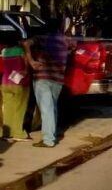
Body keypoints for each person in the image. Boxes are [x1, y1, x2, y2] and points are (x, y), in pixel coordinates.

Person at [22, 18, 71, 148]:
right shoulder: (65, 40)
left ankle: (48, 140)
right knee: (52, 108)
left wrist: (31, 61)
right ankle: (52, 135)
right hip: (58, 79)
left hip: (42, 78)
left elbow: (26, 43)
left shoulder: (41, 38)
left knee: (46, 109)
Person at [1, 36, 32, 142]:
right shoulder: (20, 50)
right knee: (19, 109)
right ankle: (18, 133)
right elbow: (27, 63)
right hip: (19, 83)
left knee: (8, 109)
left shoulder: (4, 51)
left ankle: (6, 133)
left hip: (5, 83)